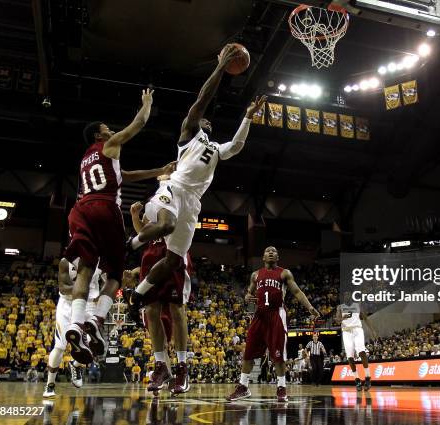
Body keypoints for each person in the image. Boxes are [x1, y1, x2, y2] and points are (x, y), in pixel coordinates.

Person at [127, 45, 267, 311]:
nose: (208, 123)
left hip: (193, 203)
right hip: (174, 188)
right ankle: (129, 245)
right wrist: (220, 68)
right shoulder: (188, 135)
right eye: (205, 121)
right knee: (166, 226)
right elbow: (202, 100)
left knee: (173, 261)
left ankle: (137, 294)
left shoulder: (215, 149)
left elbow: (235, 147)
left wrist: (247, 117)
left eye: (210, 124)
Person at [63, 88, 174, 364]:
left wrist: (159, 170)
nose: (110, 130)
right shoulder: (109, 145)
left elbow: (124, 175)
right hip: (103, 207)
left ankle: (77, 324)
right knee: (115, 274)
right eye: (106, 129)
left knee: (86, 271)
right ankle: (97, 319)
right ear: (100, 135)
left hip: (79, 211)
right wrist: (147, 104)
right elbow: (137, 125)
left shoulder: (86, 159)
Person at [226, 246, 320, 402]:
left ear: (277, 257)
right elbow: (249, 293)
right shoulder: (255, 275)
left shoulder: (284, 273)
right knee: (248, 352)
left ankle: (281, 388)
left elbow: (297, 292)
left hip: (277, 314)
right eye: (267, 251)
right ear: (263, 257)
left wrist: (310, 307)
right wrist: (247, 297)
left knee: (278, 356)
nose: (270, 252)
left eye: (274, 251)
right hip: (260, 315)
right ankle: (243, 387)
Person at [127, 195, 193, 396]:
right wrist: (134, 216)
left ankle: (182, 367)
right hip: (151, 254)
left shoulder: (178, 195)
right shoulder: (152, 203)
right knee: (150, 310)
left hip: (173, 252)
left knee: (176, 308)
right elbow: (144, 234)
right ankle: (161, 365)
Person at [43, 258, 103, 398]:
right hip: (67, 305)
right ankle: (50, 384)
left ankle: (75, 364)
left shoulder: (100, 260)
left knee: (93, 343)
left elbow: (110, 280)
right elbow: (63, 288)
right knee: (59, 347)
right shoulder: (65, 262)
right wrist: (83, 289)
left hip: (88, 305)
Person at [335, 295, 377, 391]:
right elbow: (337, 321)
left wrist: (372, 330)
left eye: (348, 293)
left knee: (361, 351)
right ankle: (357, 379)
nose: (346, 295)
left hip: (357, 330)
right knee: (350, 357)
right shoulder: (340, 307)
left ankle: (367, 378)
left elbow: (365, 318)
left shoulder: (357, 305)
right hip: (346, 332)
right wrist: (342, 318)